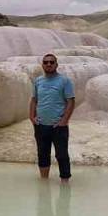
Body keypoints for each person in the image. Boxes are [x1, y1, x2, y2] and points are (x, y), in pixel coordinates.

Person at [30, 54, 74, 183]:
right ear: (42, 65)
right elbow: (34, 100)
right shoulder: (38, 81)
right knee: (42, 154)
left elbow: (70, 101)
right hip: (41, 124)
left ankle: (65, 183)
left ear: (56, 64)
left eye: (51, 62)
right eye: (46, 62)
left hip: (58, 126)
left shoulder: (64, 81)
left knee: (62, 155)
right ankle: (44, 182)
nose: (48, 64)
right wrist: (31, 117)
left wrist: (64, 121)